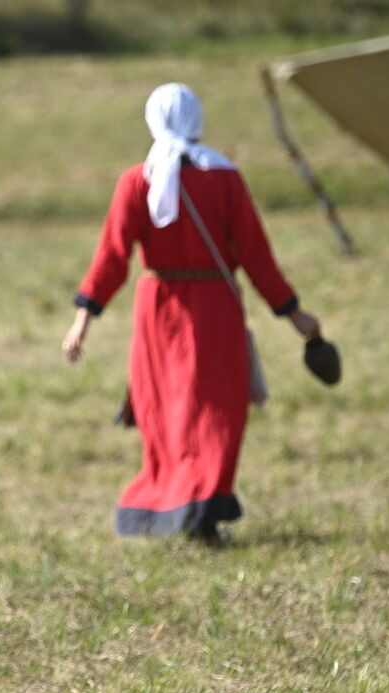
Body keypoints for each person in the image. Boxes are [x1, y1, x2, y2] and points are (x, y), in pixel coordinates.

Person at [63, 83, 322, 542]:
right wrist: (293, 314)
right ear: (198, 119)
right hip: (213, 308)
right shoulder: (225, 179)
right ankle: (201, 509)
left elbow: (111, 257)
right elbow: (257, 257)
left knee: (168, 411)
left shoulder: (136, 180)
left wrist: (82, 319)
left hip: (158, 309)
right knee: (215, 410)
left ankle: (177, 507)